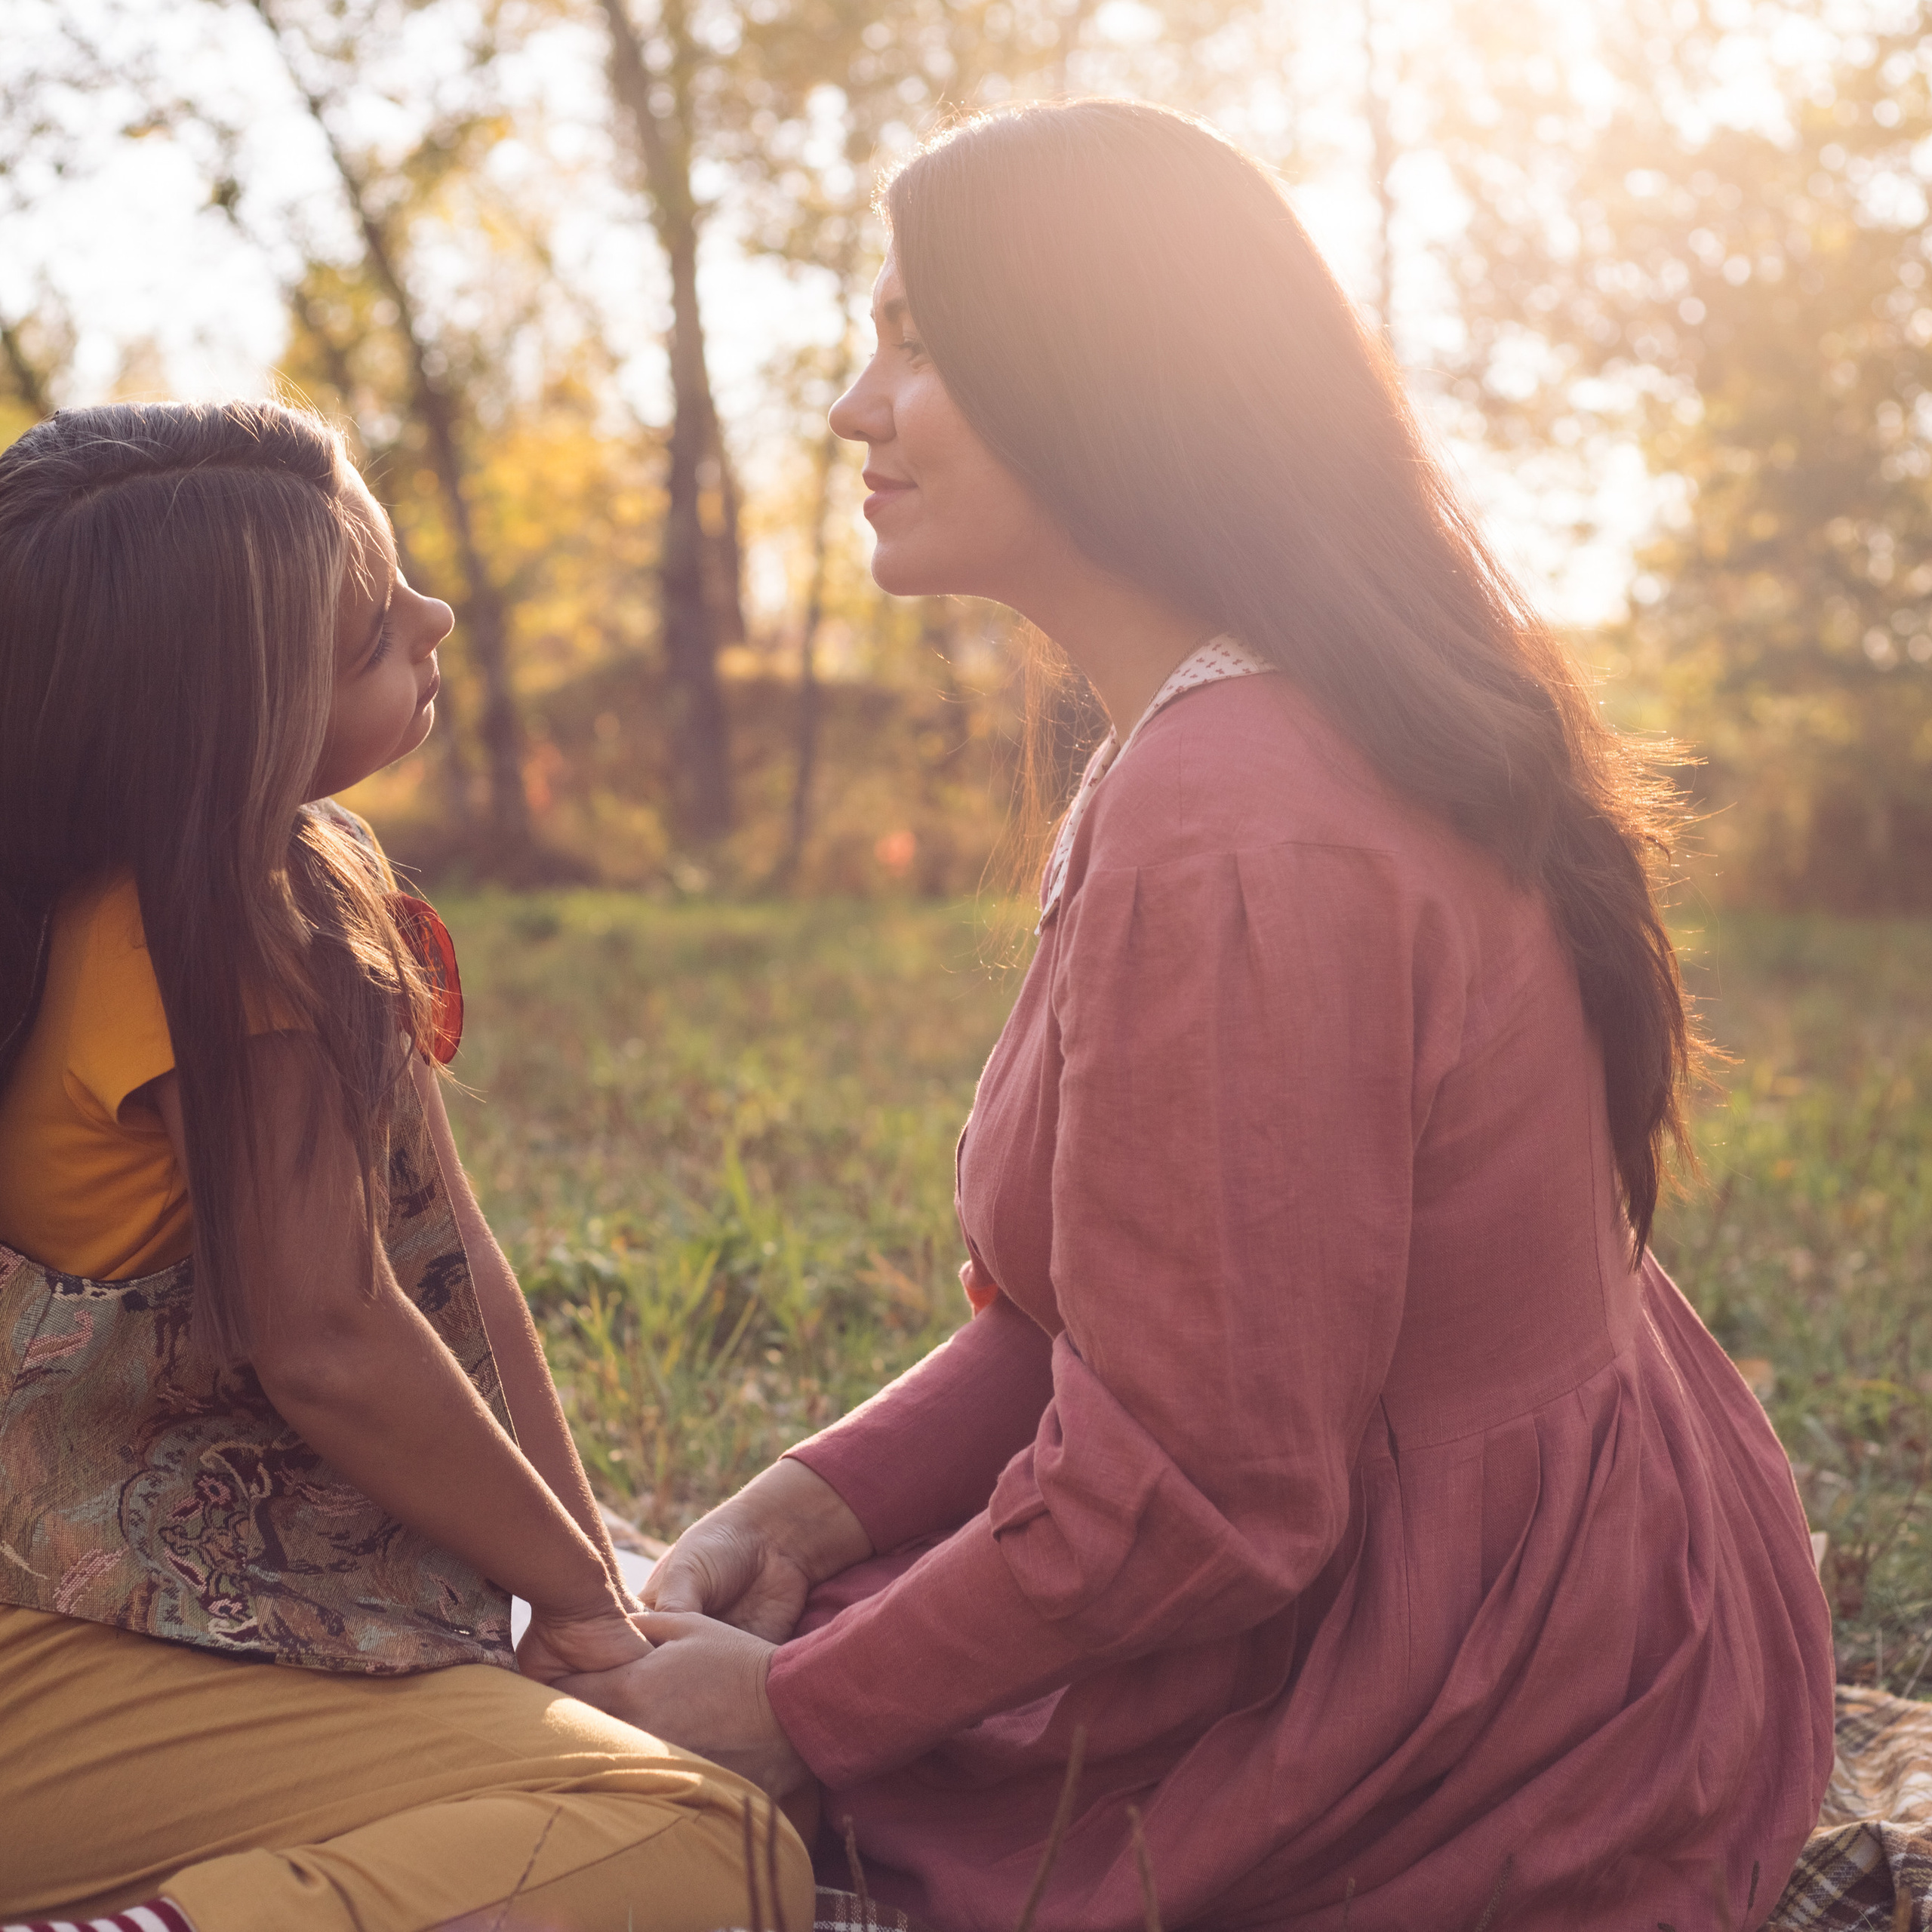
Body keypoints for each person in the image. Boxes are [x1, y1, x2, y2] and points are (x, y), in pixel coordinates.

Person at [558, 102, 1837, 1930]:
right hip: (1524, 1574)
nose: (853, 404)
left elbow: (1198, 1483)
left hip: (1471, 1696)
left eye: (915, 342)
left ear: (1100, 379)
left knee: (588, 1802)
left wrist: (799, 1710)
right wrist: (803, 1507)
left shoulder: (1241, 815)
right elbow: (1128, 1336)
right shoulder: (1255, 729)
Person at [0, 401, 812, 1932]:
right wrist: (578, 1604)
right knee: (705, 1835)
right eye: (375, 625)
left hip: (157, 1618)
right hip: (78, 1649)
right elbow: (332, 1338)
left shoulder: (292, 883)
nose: (434, 616)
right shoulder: (201, 945)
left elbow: (451, 1279)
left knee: (672, 1718)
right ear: (225, 719)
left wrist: (596, 1598)